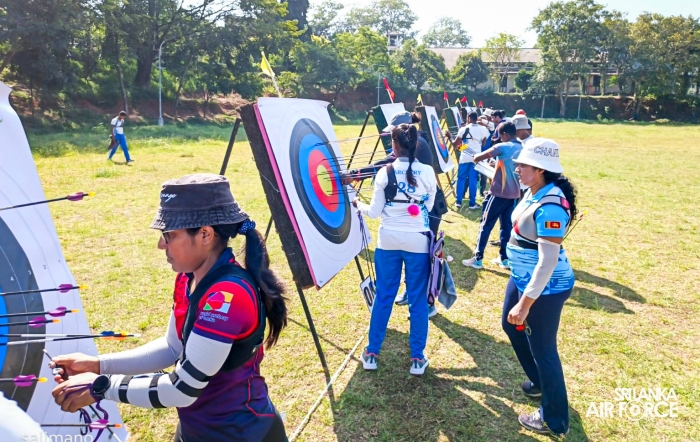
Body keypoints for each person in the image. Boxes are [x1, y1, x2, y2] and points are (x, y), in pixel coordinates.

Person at [50, 174, 289, 442]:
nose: (161, 244)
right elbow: (172, 348)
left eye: (169, 234)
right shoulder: (189, 277)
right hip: (197, 430)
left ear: (205, 234)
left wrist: (101, 386)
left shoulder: (226, 296)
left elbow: (182, 389)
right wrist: (98, 365)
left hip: (242, 434)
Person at [502, 138, 576, 437]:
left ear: (541, 169)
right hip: (523, 279)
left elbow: (547, 263)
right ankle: (541, 383)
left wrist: (525, 304)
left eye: (523, 165)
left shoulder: (552, 206)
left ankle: (554, 420)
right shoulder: (534, 190)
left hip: (545, 289)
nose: (517, 169)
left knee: (544, 351)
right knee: (510, 326)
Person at [343, 111, 446, 316]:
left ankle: (428, 303)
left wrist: (355, 174)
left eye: (394, 137)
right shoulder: (416, 141)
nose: (393, 142)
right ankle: (411, 292)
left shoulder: (418, 144)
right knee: (415, 257)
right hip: (420, 209)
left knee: (424, 258)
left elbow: (386, 163)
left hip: (426, 210)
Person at [353, 124, 437, 376]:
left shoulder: (384, 172)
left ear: (395, 145)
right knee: (417, 300)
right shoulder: (428, 172)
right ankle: (417, 358)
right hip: (417, 242)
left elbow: (374, 213)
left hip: (388, 241)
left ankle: (371, 354)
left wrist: (357, 204)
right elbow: (428, 207)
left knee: (384, 296)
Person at [462, 122, 522, 270]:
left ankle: (477, 259)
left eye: (500, 135)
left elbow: (478, 157)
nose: (499, 138)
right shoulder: (522, 148)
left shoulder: (502, 147)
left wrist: (473, 154)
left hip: (498, 194)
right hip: (514, 195)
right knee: (506, 226)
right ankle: (504, 258)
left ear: (505, 135)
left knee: (485, 225)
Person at [453, 111, 490, 210]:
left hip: (464, 158)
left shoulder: (463, 129)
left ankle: (458, 201)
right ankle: (472, 203)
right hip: (476, 158)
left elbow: (455, 144)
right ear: (476, 118)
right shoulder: (483, 129)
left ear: (468, 118)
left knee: (461, 178)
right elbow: (483, 144)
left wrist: (449, 137)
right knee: (473, 179)